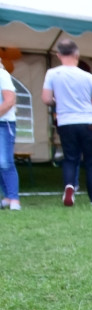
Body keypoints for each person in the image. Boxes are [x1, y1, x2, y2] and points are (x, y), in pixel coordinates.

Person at [41, 38, 92, 207]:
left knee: (70, 158)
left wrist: (59, 101)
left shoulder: (52, 74)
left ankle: (70, 185)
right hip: (87, 121)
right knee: (91, 160)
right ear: (77, 55)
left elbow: (46, 99)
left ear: (58, 55)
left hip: (65, 121)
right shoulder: (87, 76)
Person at [0, 59, 20, 211]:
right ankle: (7, 196)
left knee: (5, 162)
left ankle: (14, 199)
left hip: (4, 123)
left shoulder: (2, 75)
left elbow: (9, 101)